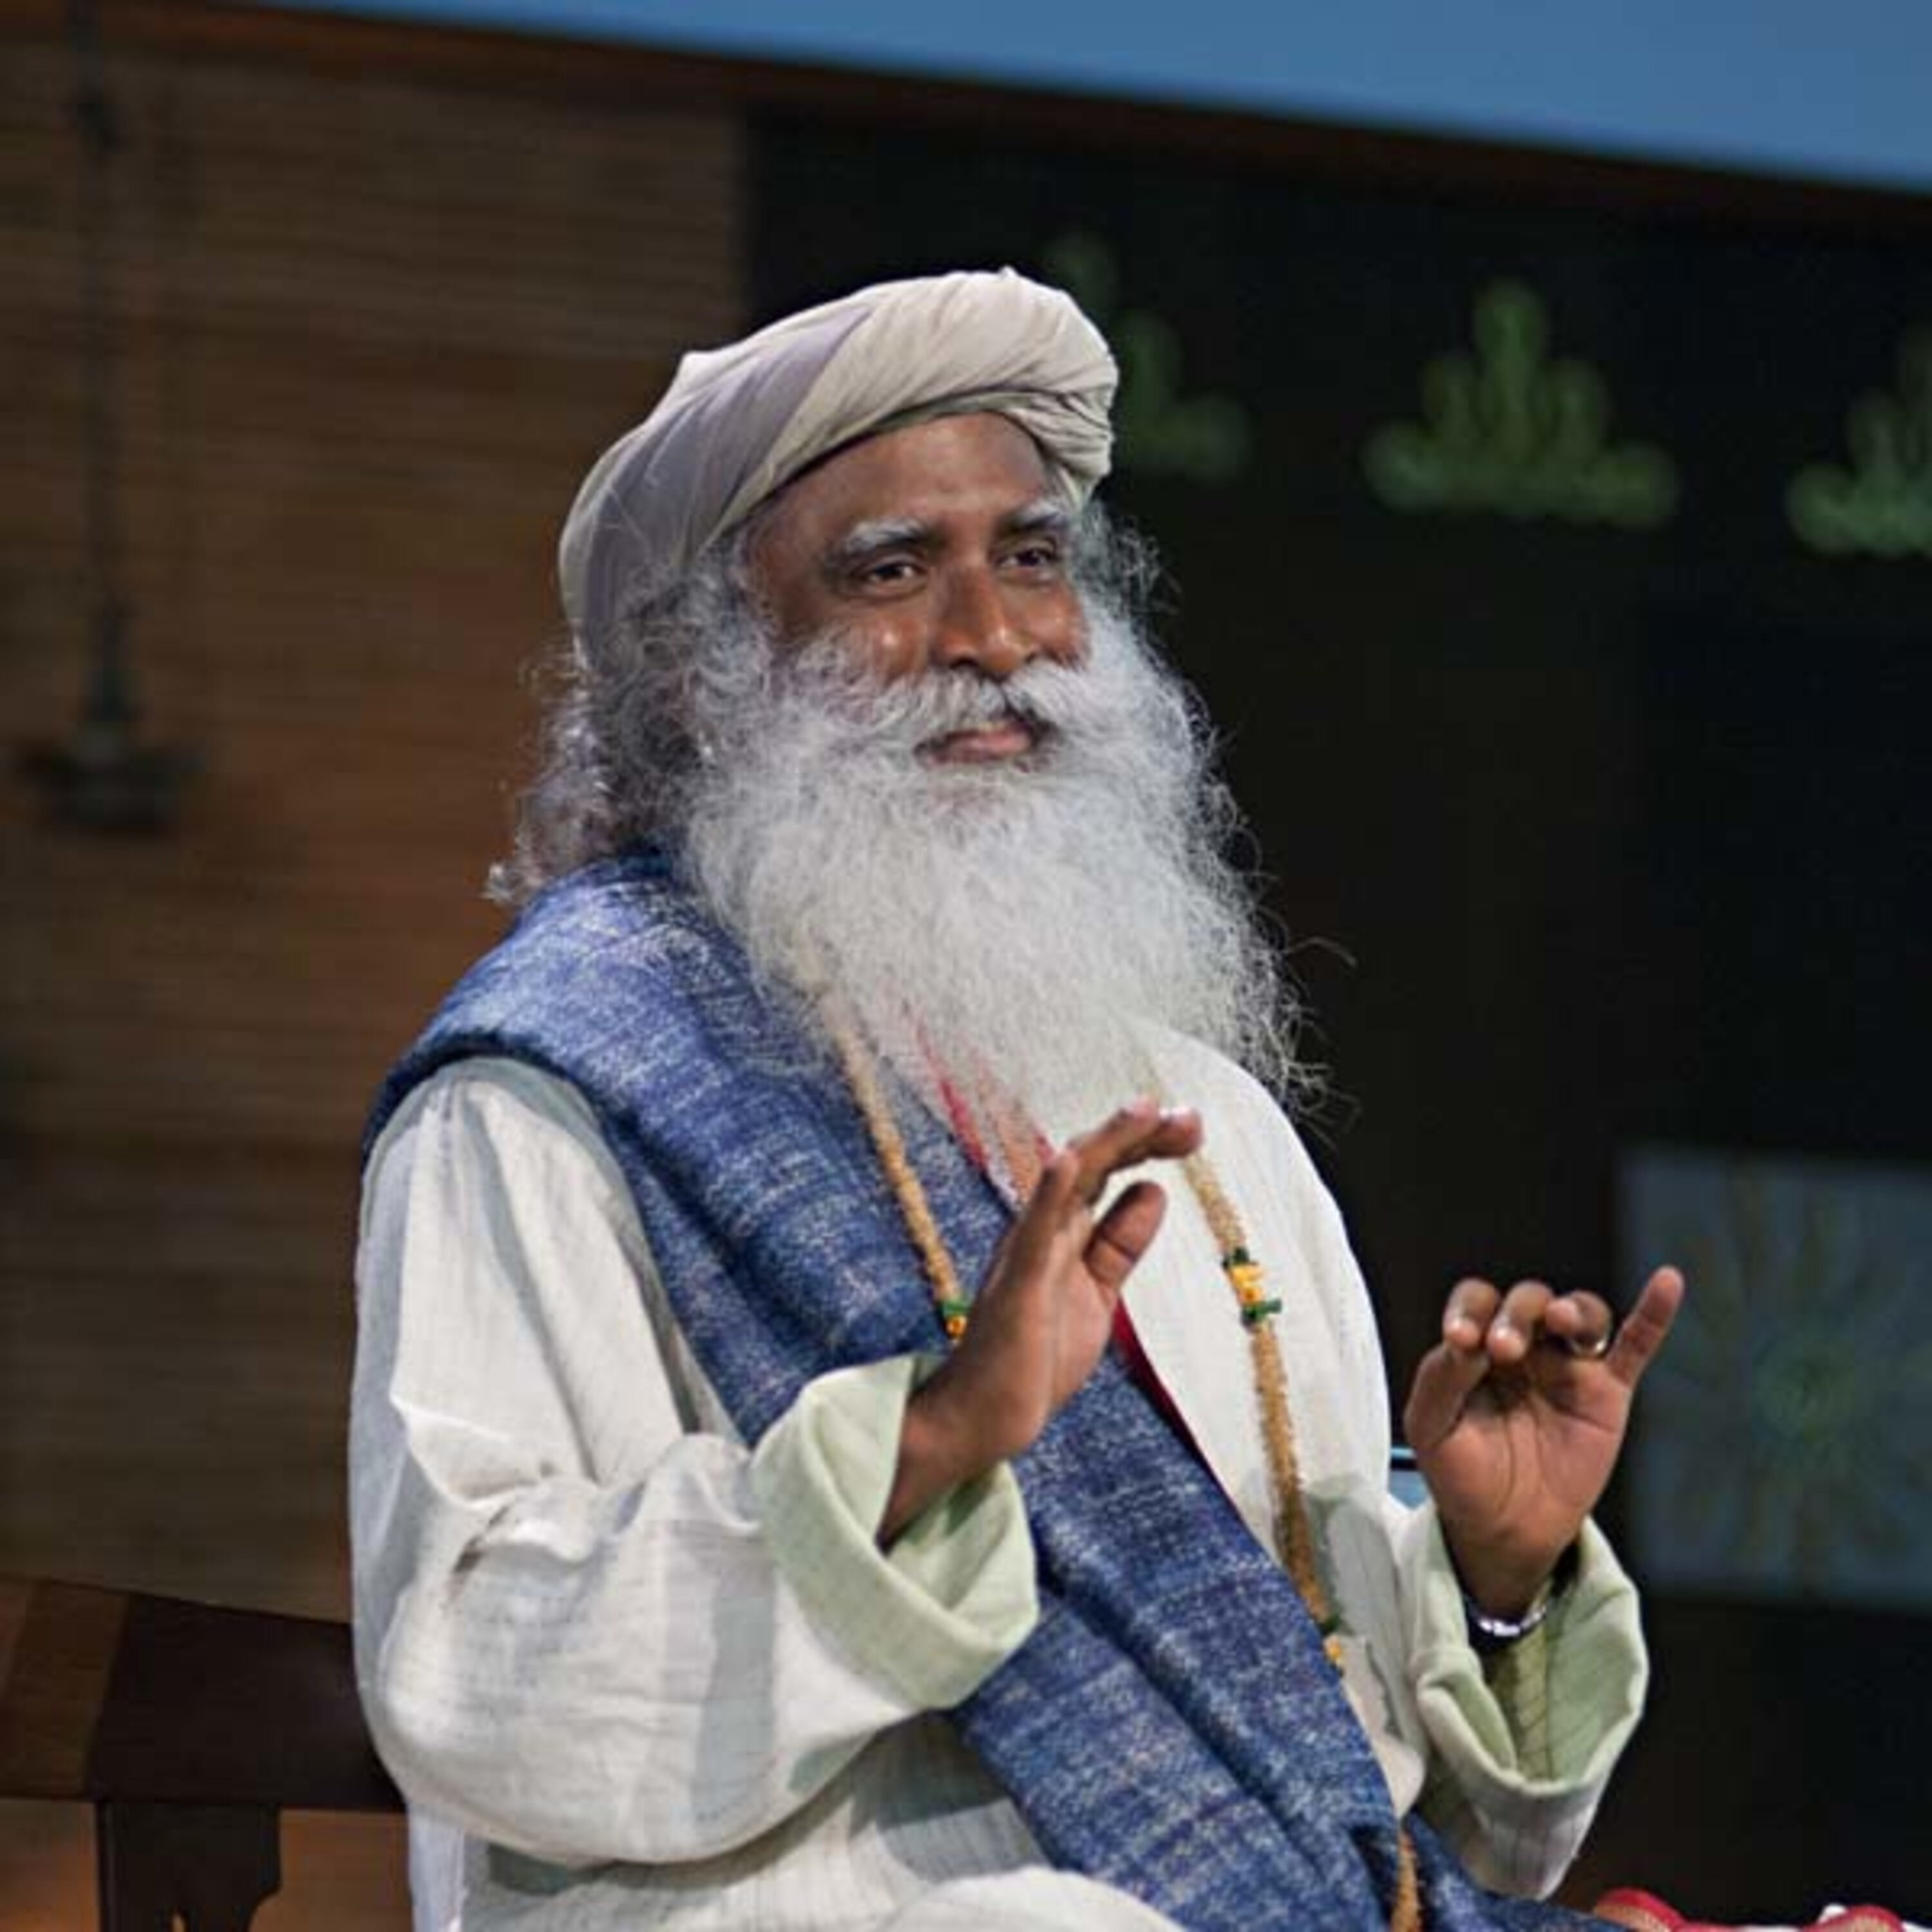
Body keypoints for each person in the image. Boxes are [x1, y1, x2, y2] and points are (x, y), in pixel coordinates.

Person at [352, 269, 1683, 1932]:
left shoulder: (1205, 1126)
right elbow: (467, 1666)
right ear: (704, 673)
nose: (993, 641)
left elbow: (1351, 1833)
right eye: (891, 571)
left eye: (1033, 558)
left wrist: (1493, 1584)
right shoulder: (553, 1097)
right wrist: (922, 1451)